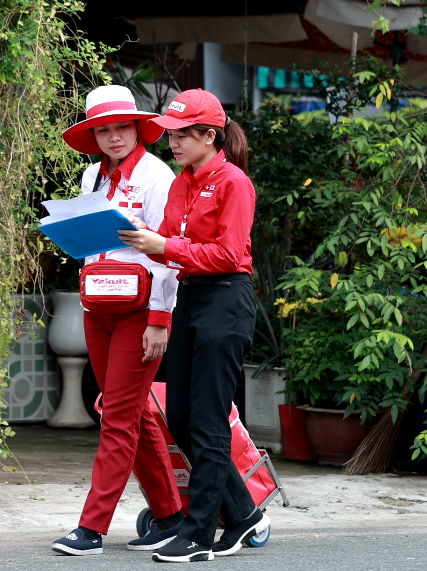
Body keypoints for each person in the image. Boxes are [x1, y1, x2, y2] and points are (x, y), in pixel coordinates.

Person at [117, 88, 270, 563]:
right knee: (180, 415)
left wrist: (164, 247)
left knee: (207, 417)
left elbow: (228, 253)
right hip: (191, 297)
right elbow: (168, 242)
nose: (174, 144)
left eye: (183, 136)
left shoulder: (234, 182)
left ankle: (200, 532)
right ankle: (243, 516)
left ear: (209, 135)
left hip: (226, 298)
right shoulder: (182, 182)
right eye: (171, 136)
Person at [50, 85, 185, 556]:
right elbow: (92, 241)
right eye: (103, 130)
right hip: (97, 306)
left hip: (139, 311)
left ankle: (91, 528)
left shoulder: (157, 175)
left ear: (136, 127)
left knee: (118, 419)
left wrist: (159, 320)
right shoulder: (92, 175)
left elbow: (166, 254)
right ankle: (169, 517)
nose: (113, 137)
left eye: (121, 127)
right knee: (128, 411)